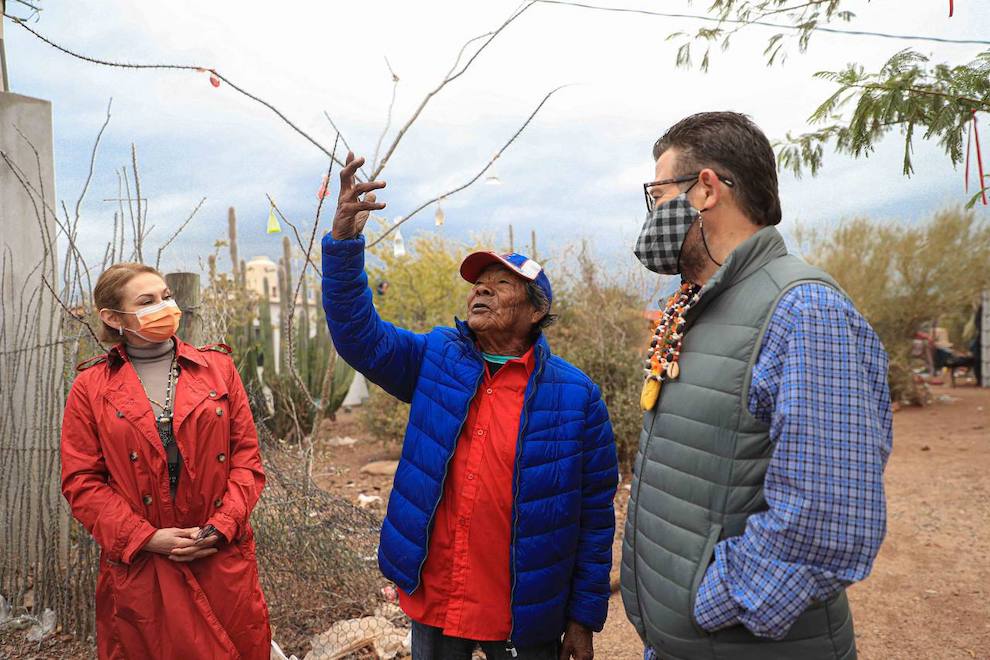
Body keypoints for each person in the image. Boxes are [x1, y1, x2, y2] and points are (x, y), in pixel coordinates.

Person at [322, 152, 619, 660]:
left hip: (526, 610)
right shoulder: (437, 358)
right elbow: (358, 338)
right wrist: (345, 242)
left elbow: (594, 516)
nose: (481, 287)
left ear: (536, 309)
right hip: (439, 595)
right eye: (478, 282)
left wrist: (583, 618)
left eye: (501, 283)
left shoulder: (576, 396)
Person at [621, 112, 892, 660]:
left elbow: (830, 518)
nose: (652, 215)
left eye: (658, 193)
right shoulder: (703, 301)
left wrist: (714, 604)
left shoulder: (803, 309)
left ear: (705, 190)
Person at [61, 263, 270, 659]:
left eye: (166, 297)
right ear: (112, 317)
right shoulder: (90, 387)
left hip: (218, 556)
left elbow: (247, 460)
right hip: (143, 566)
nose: (164, 307)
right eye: (147, 301)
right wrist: (145, 538)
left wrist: (221, 527)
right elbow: (82, 481)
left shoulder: (218, 369)